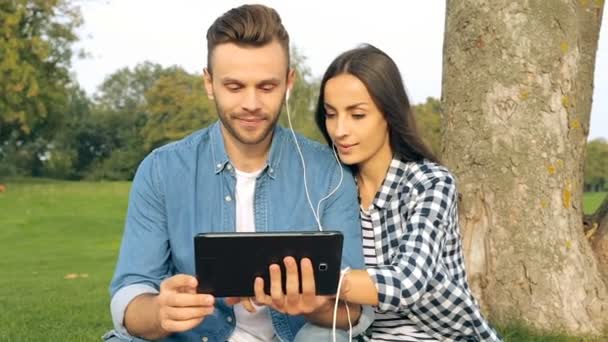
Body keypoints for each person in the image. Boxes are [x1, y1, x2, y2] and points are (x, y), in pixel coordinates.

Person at [103, 5, 372, 342]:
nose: (251, 104)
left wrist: (312, 305)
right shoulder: (161, 171)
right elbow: (130, 294)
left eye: (266, 87)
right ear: (209, 82)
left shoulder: (328, 175)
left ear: (289, 82)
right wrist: (159, 311)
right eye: (234, 86)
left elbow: (354, 312)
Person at [314, 44, 503, 341]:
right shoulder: (332, 186)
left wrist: (320, 282)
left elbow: (408, 281)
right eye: (331, 114)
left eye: (357, 115)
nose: (339, 130)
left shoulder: (430, 183)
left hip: (438, 335)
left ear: (389, 114)